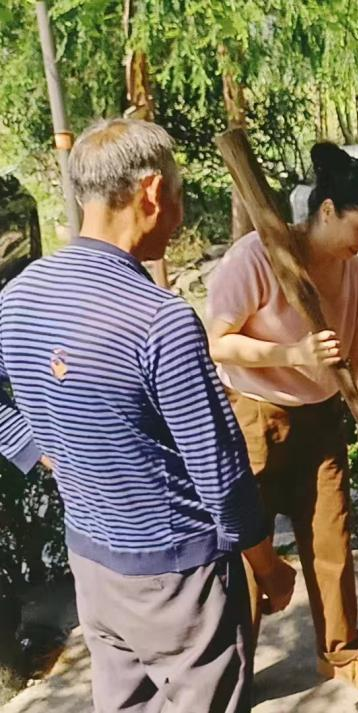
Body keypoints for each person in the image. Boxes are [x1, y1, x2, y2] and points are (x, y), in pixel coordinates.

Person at [0, 118, 294, 712]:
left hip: (93, 562)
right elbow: (219, 471)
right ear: (152, 193)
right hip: (178, 580)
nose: (180, 213)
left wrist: (36, 449)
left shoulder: (19, 297)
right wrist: (266, 563)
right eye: (180, 197)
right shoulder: (160, 321)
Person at [206, 142, 358, 691]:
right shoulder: (256, 256)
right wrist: (290, 355)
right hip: (255, 416)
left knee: (330, 535)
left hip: (321, 419)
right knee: (248, 545)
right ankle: (235, 668)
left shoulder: (353, 274)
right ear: (328, 210)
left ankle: (339, 651)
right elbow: (219, 343)